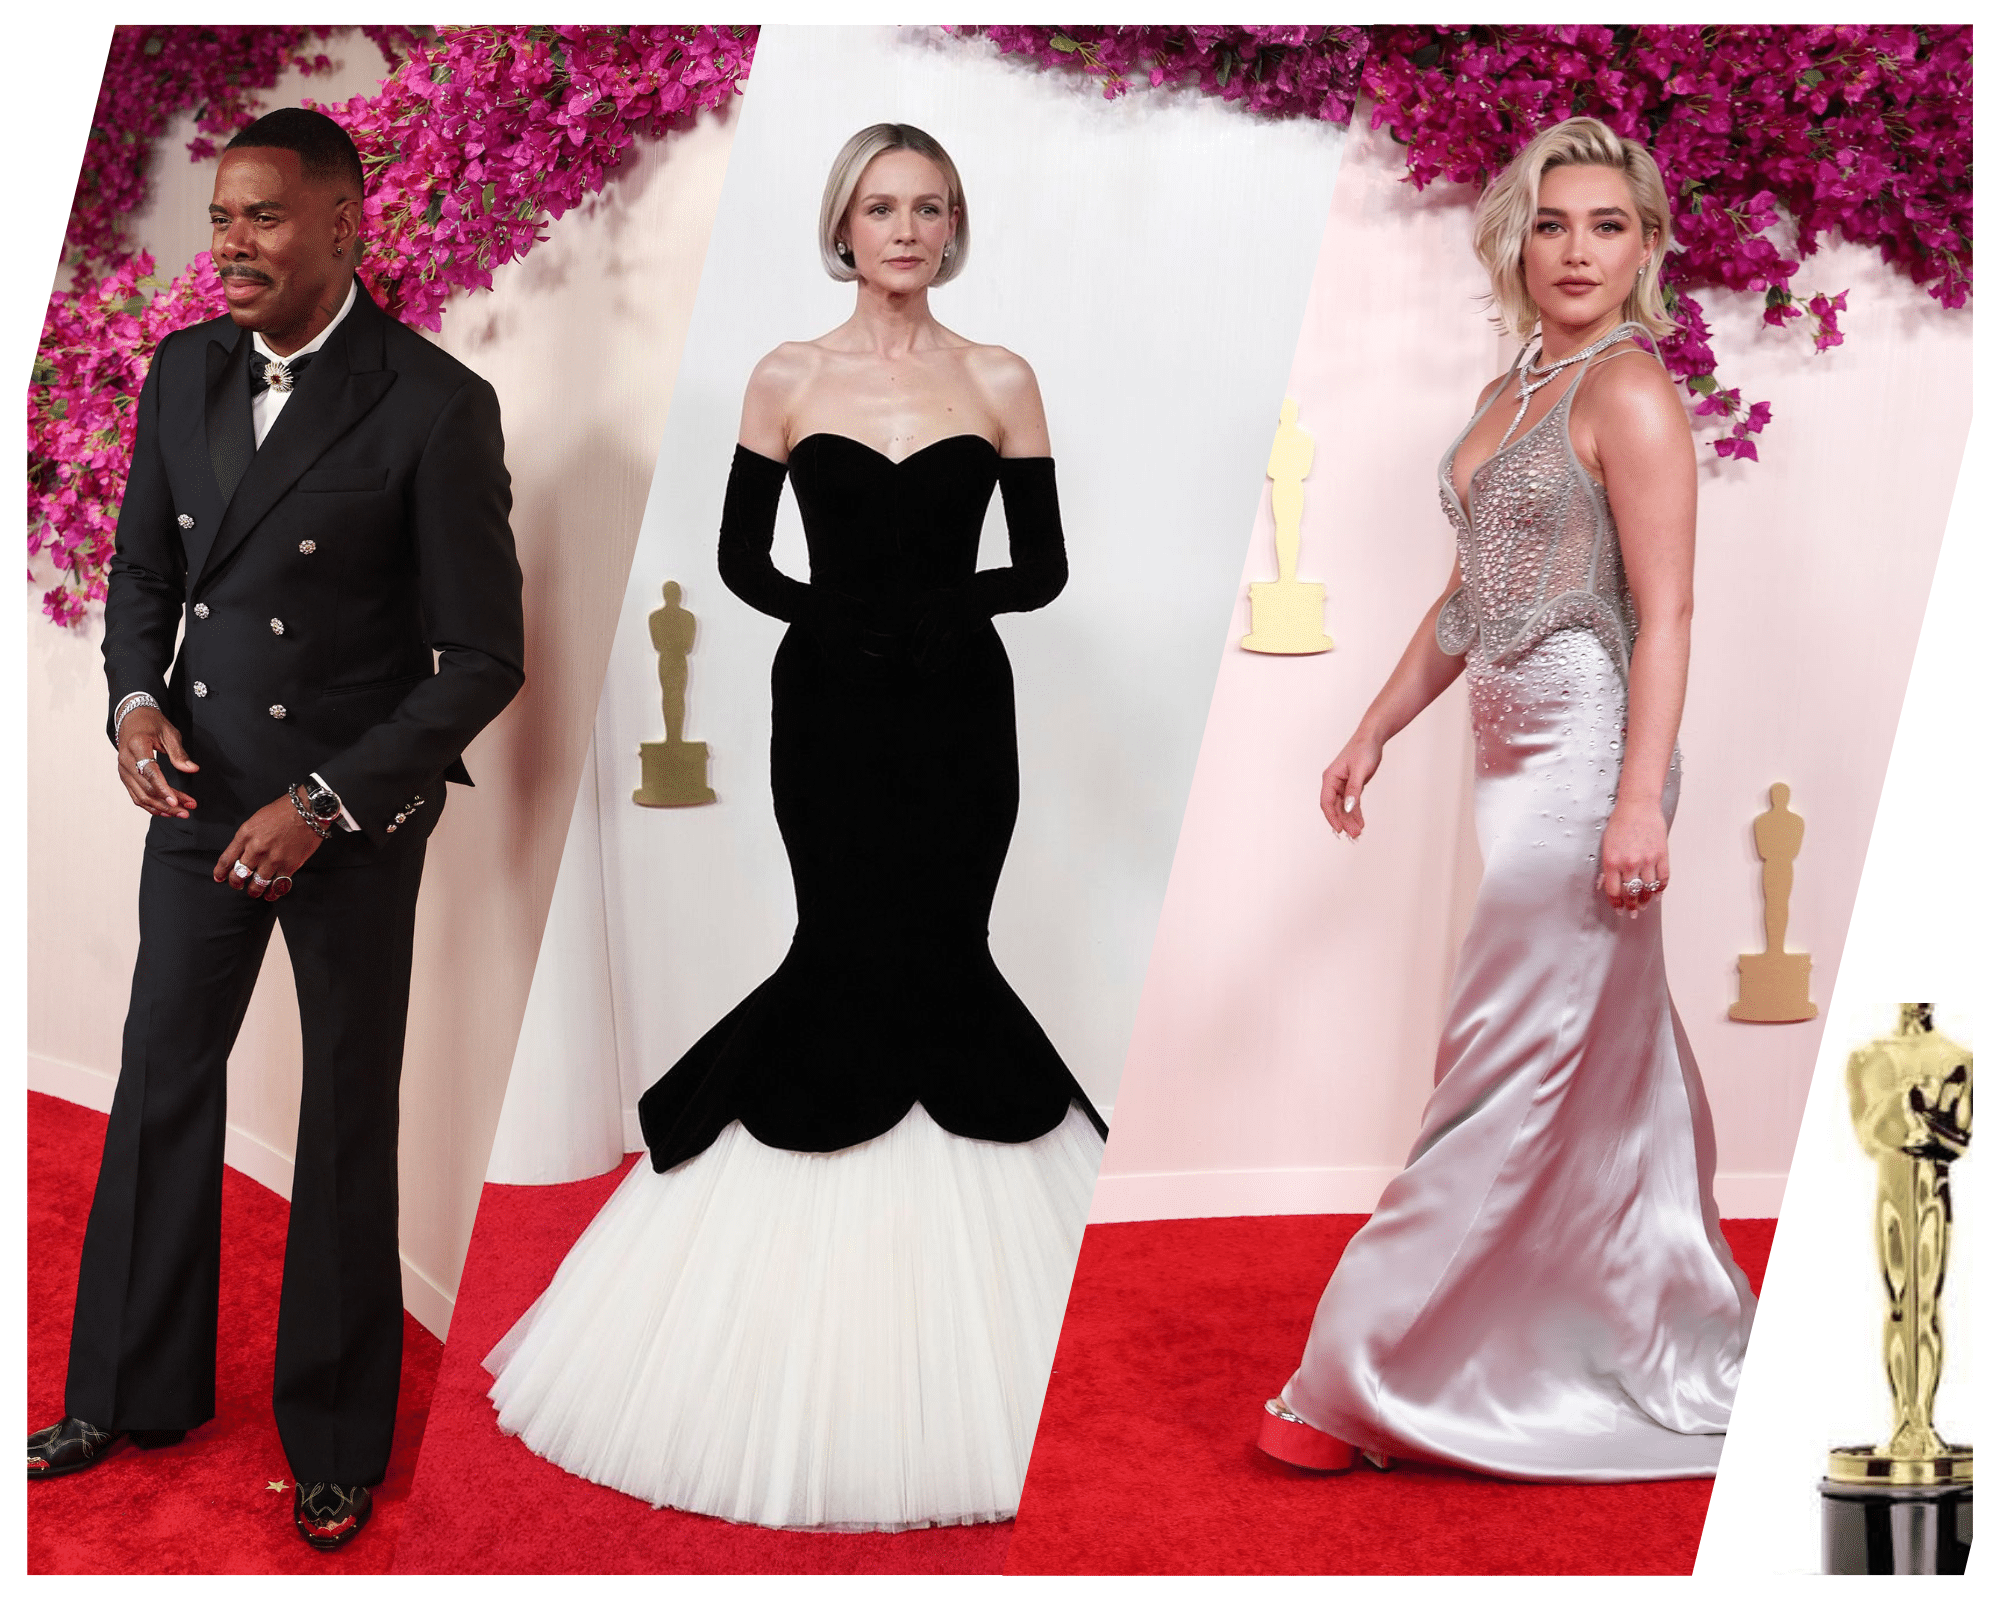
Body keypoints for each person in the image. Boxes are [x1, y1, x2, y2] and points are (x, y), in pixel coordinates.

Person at [483, 123, 1106, 1531]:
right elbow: (739, 558)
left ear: (954, 227)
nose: (907, 230)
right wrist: (839, 619)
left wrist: (947, 610)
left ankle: (976, 1301)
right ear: (843, 227)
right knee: (841, 936)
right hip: (825, 704)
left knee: (945, 938)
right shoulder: (785, 375)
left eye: (929, 208)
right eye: (882, 208)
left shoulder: (1002, 377)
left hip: (962, 710)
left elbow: (1044, 566)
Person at [26, 107, 525, 1549]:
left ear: (345, 227)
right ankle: (124, 1391)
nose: (229, 245)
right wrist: (135, 709)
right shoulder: (183, 368)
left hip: (343, 815)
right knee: (159, 1080)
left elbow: (482, 660)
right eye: (220, 218)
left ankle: (336, 1439)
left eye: (261, 217)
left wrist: (323, 803)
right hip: (198, 791)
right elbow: (140, 571)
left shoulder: (432, 403)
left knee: (347, 1114)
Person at [1256, 116, 1757, 1481]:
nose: (1578, 250)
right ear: (1516, 244)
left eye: (1608, 225)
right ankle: (1632, 1318)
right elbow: (1469, 600)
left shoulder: (1630, 394)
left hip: (1590, 764)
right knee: (1596, 1059)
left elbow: (1668, 615)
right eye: (1552, 223)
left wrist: (1639, 801)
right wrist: (1373, 728)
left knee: (1503, 1058)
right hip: (1507, 760)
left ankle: (1358, 1373)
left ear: (1647, 248)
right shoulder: (1512, 389)